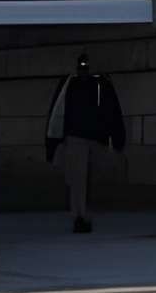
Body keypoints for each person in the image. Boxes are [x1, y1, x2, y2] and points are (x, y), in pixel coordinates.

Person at [42, 52, 128, 233]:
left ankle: (81, 215)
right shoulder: (97, 83)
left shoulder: (78, 83)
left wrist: (52, 143)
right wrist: (117, 139)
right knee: (80, 180)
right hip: (87, 138)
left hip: (83, 137)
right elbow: (112, 111)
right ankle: (80, 215)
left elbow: (57, 115)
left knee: (79, 180)